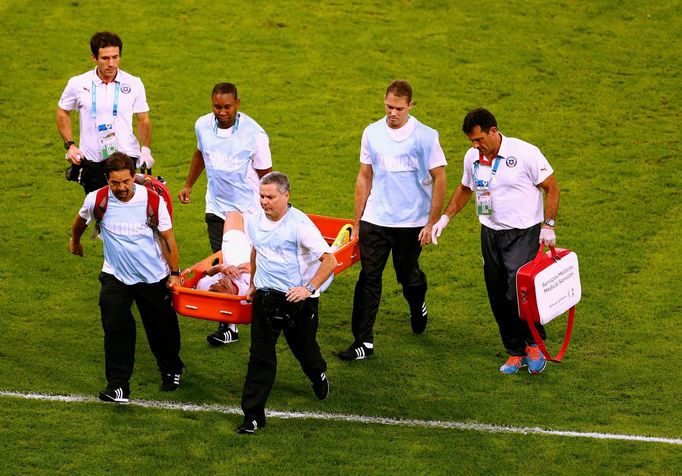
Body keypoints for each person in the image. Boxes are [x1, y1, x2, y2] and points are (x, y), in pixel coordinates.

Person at [431, 108, 560, 375]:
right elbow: (465, 188)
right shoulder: (473, 158)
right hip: (489, 232)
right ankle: (515, 352)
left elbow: (552, 187)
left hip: (522, 234)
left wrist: (548, 225)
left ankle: (533, 344)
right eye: (471, 142)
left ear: (493, 131)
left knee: (518, 294)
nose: (476, 146)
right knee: (497, 294)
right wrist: (444, 219)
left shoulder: (525, 153)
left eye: (479, 140)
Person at [338, 79, 447, 361]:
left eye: (399, 108)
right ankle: (363, 342)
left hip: (411, 223)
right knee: (369, 278)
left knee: (407, 276)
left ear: (410, 105)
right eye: (389, 106)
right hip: (376, 219)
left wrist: (431, 223)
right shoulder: (372, 133)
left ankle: (417, 303)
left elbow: (440, 178)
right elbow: (364, 175)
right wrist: (358, 221)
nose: (393, 113)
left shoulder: (426, 137)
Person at [69, 152, 184, 403]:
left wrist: (174, 273)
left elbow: (168, 239)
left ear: (135, 177)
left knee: (161, 329)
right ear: (107, 180)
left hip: (152, 276)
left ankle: (171, 369)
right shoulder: (97, 199)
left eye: (126, 182)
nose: (121, 188)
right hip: (115, 275)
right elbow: (80, 220)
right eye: (115, 183)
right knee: (115, 327)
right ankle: (118, 385)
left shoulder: (152, 201)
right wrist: (75, 240)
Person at [237, 172, 336, 434]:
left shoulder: (300, 225)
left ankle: (318, 374)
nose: (264, 202)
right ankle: (253, 416)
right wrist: (253, 284)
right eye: (261, 196)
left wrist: (308, 288)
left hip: (297, 301)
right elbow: (257, 248)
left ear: (286, 196)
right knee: (260, 356)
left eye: (270, 197)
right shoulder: (254, 221)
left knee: (304, 349)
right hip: (266, 298)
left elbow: (330, 261)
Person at [178, 82, 272, 345]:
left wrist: (271, 209)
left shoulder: (255, 135)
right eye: (217, 107)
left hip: (249, 211)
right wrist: (188, 185)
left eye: (227, 107)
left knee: (252, 266)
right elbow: (200, 154)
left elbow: (267, 175)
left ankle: (259, 312)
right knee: (225, 267)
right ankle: (228, 325)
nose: (221, 112)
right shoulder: (202, 125)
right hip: (217, 207)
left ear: (237, 104)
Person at [57, 31, 154, 194]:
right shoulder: (78, 83)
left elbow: (143, 119)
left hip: (125, 158)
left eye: (115, 57)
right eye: (105, 58)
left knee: (126, 208)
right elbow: (62, 112)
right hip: (92, 161)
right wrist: (70, 145)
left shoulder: (134, 83)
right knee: (99, 211)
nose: (111, 63)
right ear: (94, 58)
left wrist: (145, 150)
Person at [195, 211, 252, 298]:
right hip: (258, 262)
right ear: (231, 294)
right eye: (224, 286)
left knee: (233, 215)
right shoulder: (246, 292)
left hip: (234, 257)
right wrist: (256, 269)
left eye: (214, 284)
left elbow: (205, 273)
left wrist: (221, 267)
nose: (220, 281)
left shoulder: (204, 287)